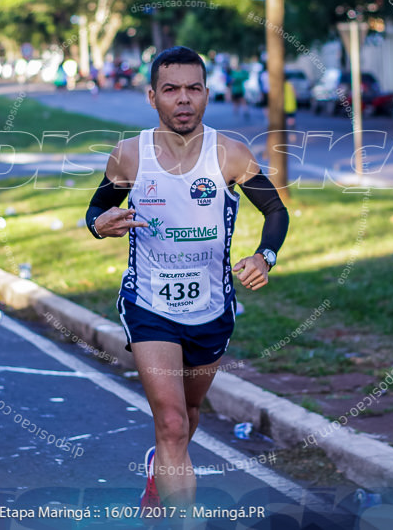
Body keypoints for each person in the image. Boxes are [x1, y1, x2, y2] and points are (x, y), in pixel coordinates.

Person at [85, 46, 289, 511]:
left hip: (212, 311)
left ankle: (162, 468)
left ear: (206, 95)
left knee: (191, 413)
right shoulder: (131, 156)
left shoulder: (229, 154)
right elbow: (96, 210)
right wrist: (99, 225)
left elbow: (275, 210)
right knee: (174, 423)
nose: (183, 99)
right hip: (150, 306)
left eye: (193, 89)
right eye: (171, 89)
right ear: (152, 96)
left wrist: (266, 256)